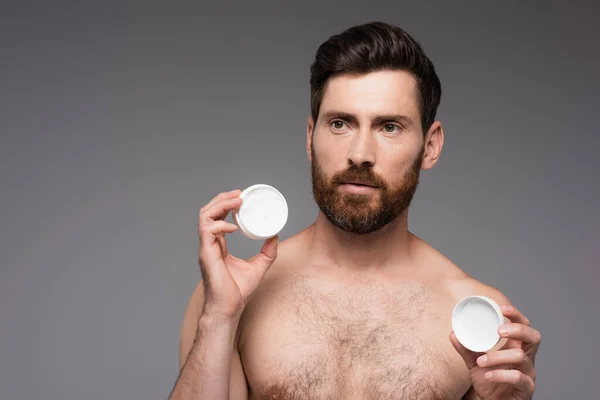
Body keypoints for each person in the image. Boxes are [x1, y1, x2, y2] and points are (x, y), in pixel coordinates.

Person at [169, 21, 541, 400]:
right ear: (310, 137)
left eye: (390, 127)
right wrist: (219, 318)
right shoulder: (230, 298)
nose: (360, 154)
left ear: (430, 146)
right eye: (340, 123)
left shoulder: (481, 319)